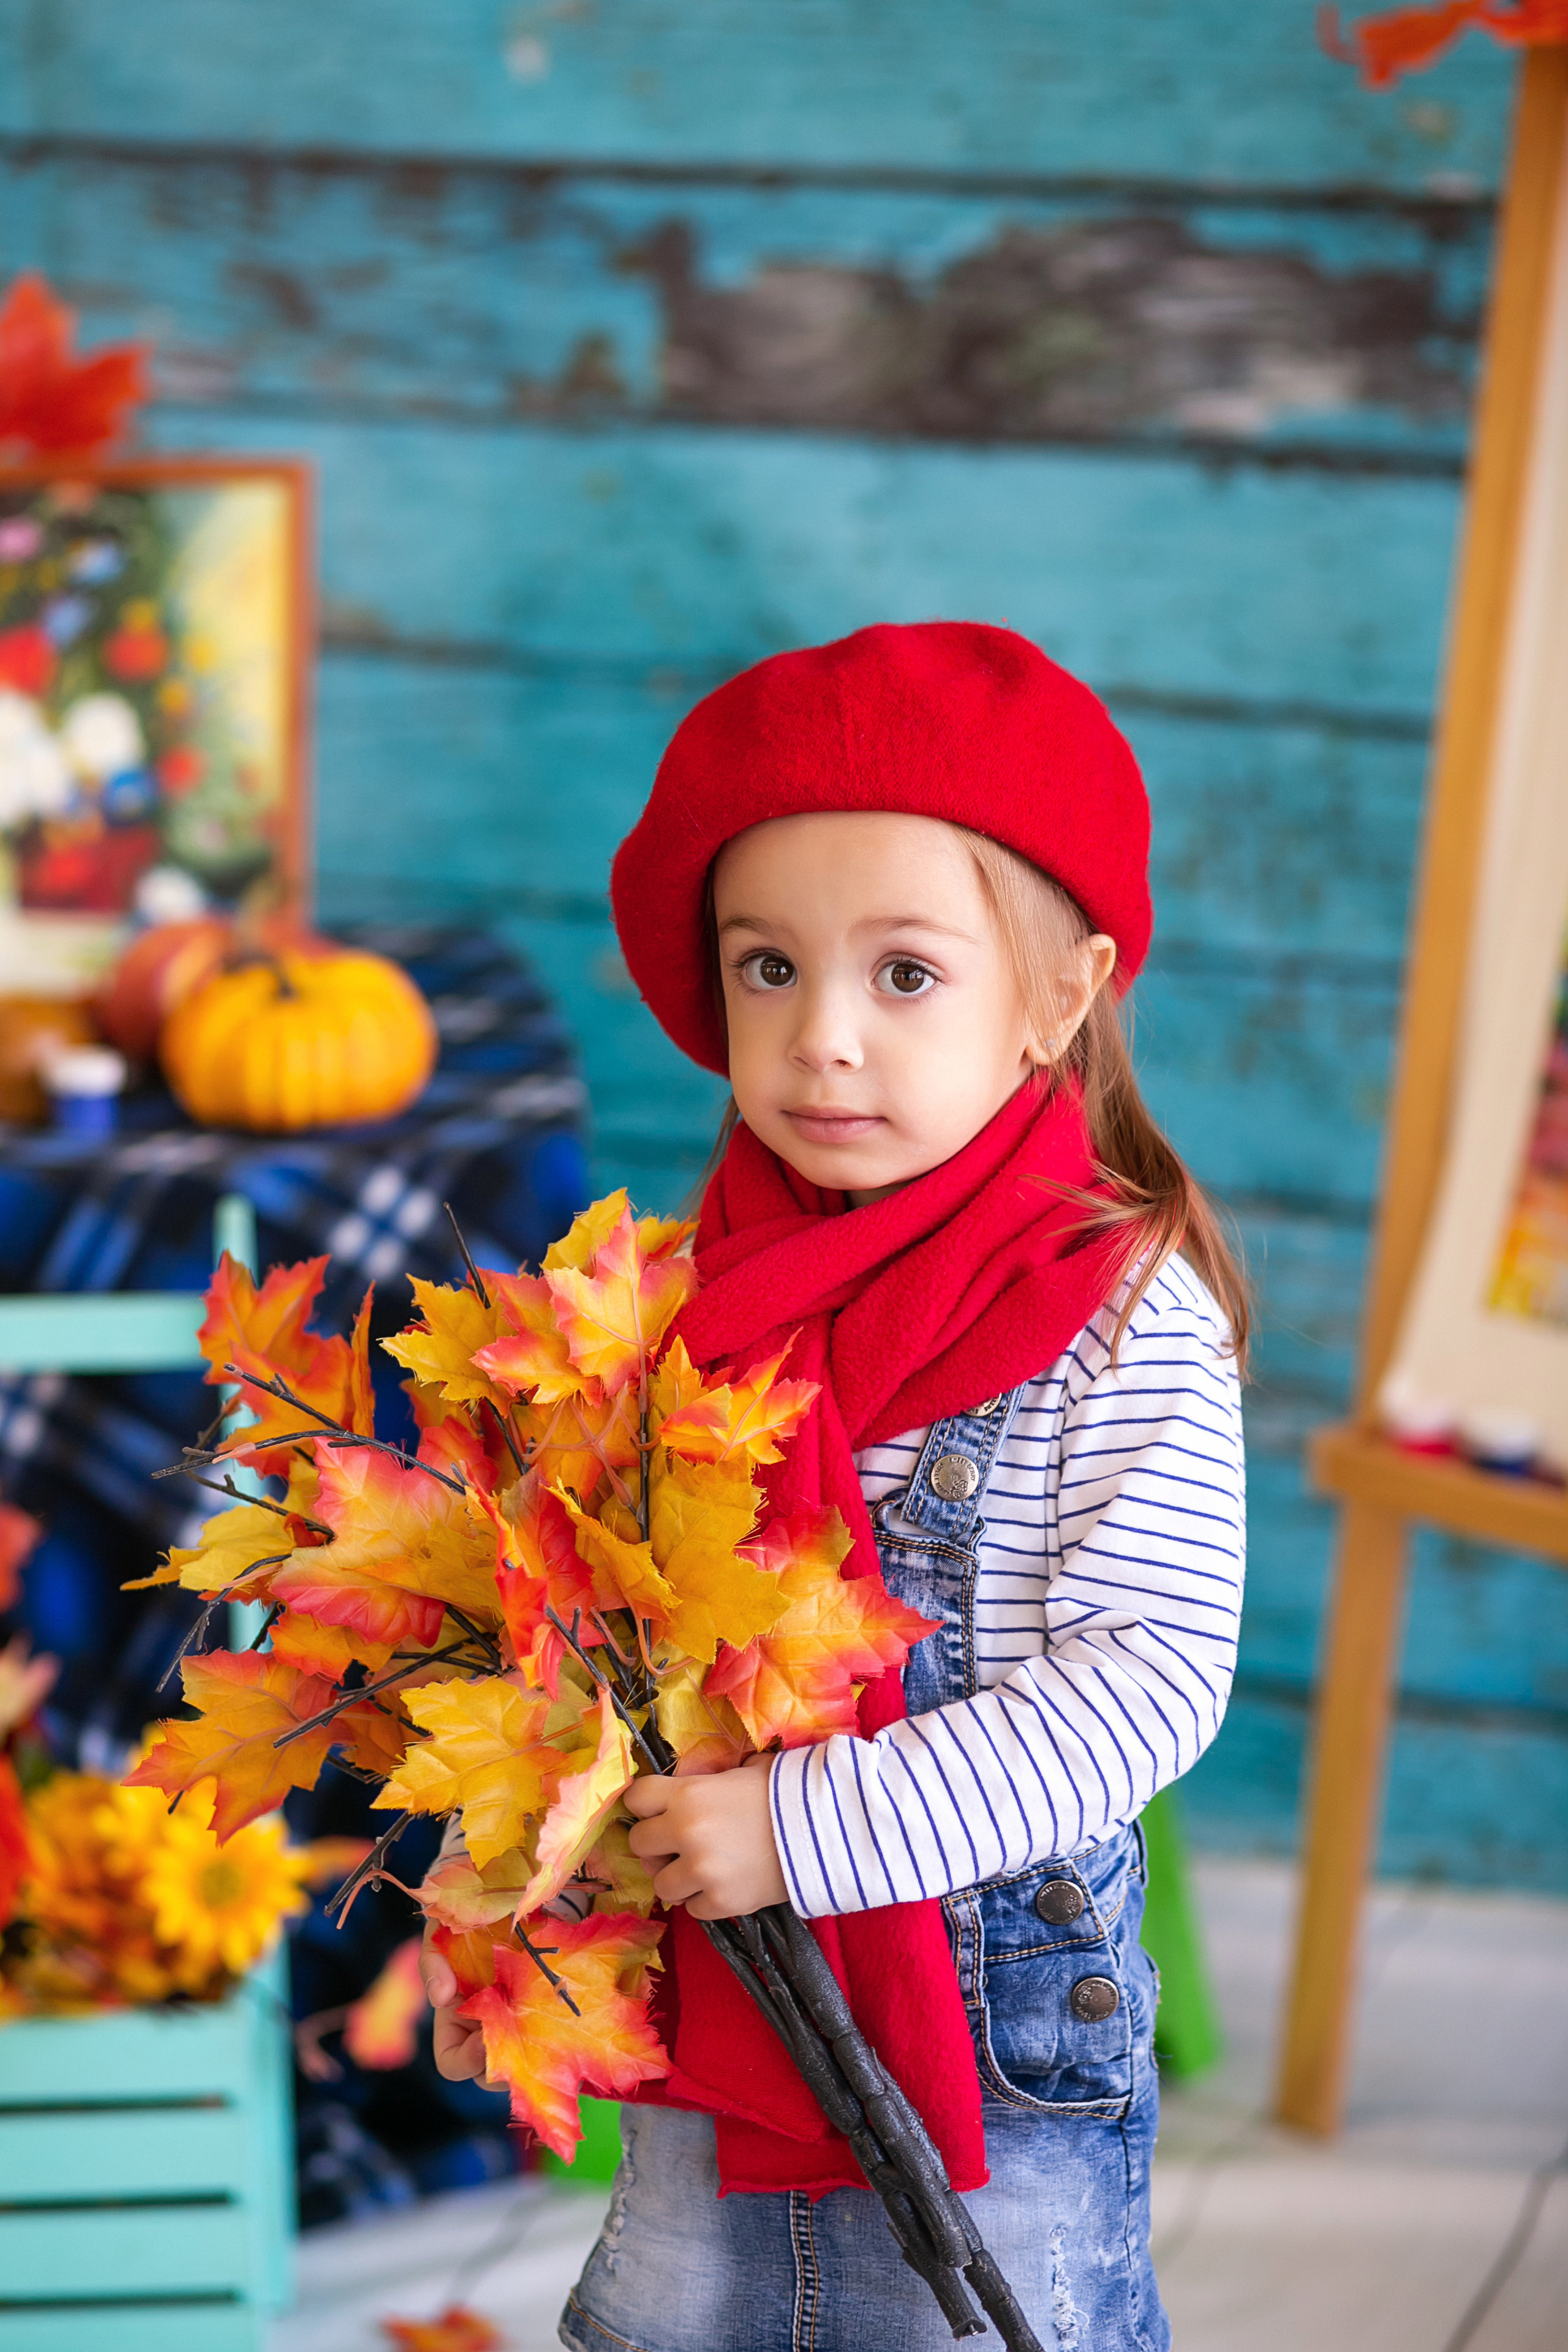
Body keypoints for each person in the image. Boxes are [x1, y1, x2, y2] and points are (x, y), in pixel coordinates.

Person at [421, 622, 1248, 2352]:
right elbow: (587, 1659)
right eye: (769, 968)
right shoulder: (667, 1301)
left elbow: (1151, 1680)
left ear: (1063, 990)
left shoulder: (1114, 1312)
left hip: (991, 2037)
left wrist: (805, 1830)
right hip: (718, 2020)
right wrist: (512, 1892)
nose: (824, 1042)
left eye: (907, 974)